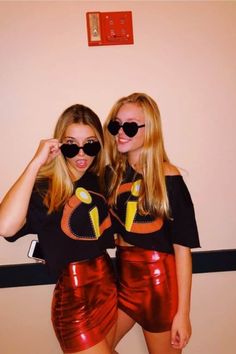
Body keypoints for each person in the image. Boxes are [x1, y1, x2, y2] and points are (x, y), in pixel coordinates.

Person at [0, 104, 117, 354]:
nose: (82, 153)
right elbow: (5, 226)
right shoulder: (47, 188)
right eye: (72, 145)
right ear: (60, 146)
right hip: (74, 302)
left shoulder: (102, 179)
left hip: (107, 290)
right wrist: (36, 162)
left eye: (91, 144)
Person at [103, 92, 200, 354]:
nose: (121, 132)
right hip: (122, 280)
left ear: (151, 129)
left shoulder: (168, 176)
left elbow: (182, 247)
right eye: (116, 124)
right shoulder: (112, 175)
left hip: (158, 286)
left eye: (131, 125)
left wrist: (183, 313)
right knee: (96, 347)